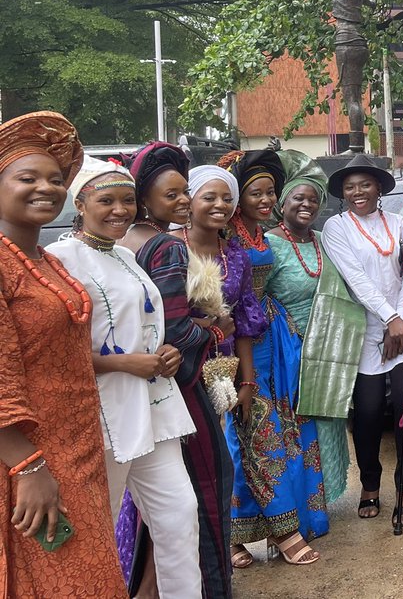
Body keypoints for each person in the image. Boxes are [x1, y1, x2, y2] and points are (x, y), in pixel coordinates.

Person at [47, 157, 202, 597]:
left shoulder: (125, 255)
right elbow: (54, 352)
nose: (119, 210)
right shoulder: (61, 259)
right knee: (97, 524)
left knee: (178, 514)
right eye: (106, 200)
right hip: (101, 413)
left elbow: (144, 326)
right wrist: (121, 363)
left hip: (151, 407)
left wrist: (164, 353)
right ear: (80, 203)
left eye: (127, 201)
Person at [0, 111, 126, 597]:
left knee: (91, 572)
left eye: (56, 179)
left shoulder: (44, 260)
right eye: (26, 177)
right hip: (28, 459)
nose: (45, 188)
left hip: (78, 450)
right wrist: (27, 468)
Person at [120, 142, 235, 598]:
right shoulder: (166, 245)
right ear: (145, 200)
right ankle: (211, 588)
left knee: (160, 504)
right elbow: (173, 328)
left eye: (185, 191)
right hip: (179, 388)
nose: (184, 201)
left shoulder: (122, 243)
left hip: (134, 388)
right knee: (207, 486)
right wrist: (215, 330)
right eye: (172, 195)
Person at [217, 150, 327, 565]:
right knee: (250, 431)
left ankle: (247, 531)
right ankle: (277, 532)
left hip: (275, 340)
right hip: (240, 344)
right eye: (255, 193)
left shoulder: (258, 233)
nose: (265, 199)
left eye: (269, 192)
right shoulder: (225, 236)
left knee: (287, 429)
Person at [321, 154, 403, 532]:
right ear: (342, 193)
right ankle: (370, 484)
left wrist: (401, 321)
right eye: (349, 186)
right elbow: (355, 279)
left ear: (379, 187)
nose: (357, 191)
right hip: (363, 333)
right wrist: (387, 321)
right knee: (364, 417)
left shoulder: (400, 223)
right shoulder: (336, 227)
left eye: (365, 184)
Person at [265, 150, 361, 511]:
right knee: (294, 429)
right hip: (287, 354)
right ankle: (297, 503)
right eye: (298, 198)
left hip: (327, 352)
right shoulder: (268, 245)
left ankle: (322, 500)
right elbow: (256, 301)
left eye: (314, 200)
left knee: (326, 424)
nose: (307, 205)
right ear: (283, 204)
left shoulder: (324, 241)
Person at [183, 165, 268, 570]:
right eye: (209, 197)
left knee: (220, 458)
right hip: (180, 370)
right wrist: (207, 325)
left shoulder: (235, 253)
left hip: (223, 368)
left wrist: (246, 380)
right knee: (184, 459)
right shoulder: (169, 249)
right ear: (191, 201)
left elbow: (247, 320)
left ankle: (222, 538)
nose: (219, 205)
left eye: (226, 198)